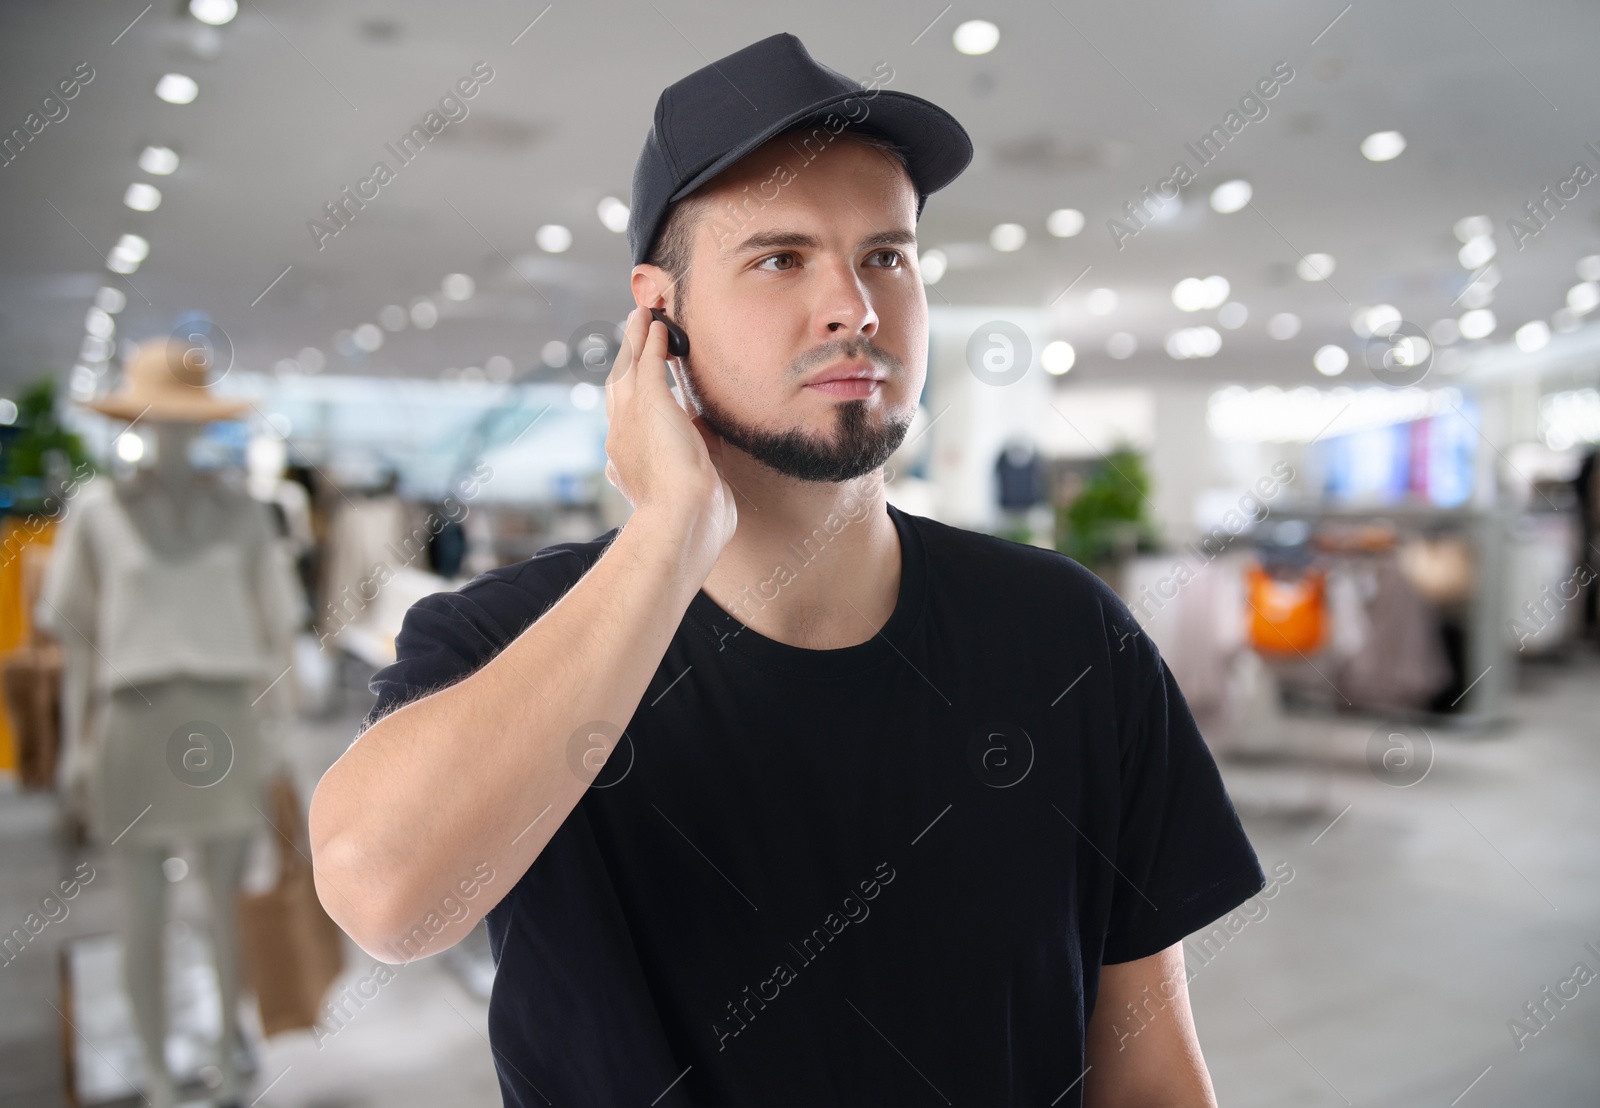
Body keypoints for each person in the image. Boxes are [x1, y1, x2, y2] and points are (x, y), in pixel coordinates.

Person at [309, 32, 1267, 1107]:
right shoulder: (510, 639)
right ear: (655, 317)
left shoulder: (1068, 638)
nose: (853, 305)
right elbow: (384, 899)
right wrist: (670, 529)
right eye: (781, 257)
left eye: (885, 255)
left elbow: (1147, 1068)